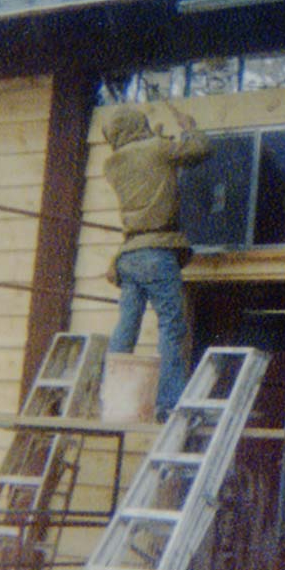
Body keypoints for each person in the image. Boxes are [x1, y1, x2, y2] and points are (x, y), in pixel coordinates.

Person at [102, 103, 212, 421]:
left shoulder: (113, 163)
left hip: (130, 253)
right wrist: (189, 127)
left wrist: (159, 142)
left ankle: (109, 397)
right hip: (157, 250)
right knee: (172, 324)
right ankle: (169, 403)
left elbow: (150, 167)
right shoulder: (158, 149)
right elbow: (199, 150)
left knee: (127, 325)